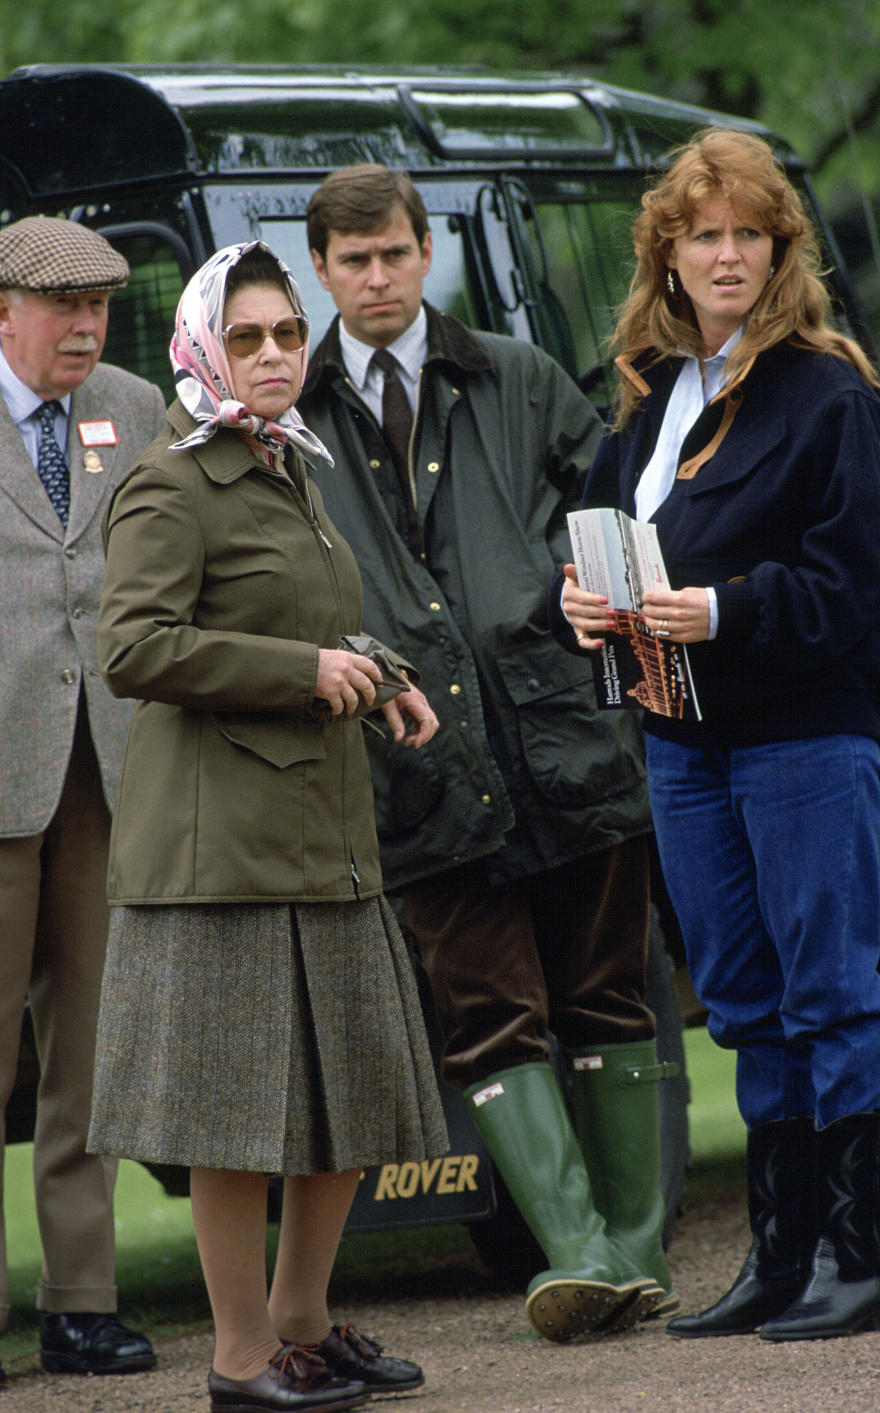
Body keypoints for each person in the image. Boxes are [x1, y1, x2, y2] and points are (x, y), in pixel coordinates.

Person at [298, 163, 674, 1344]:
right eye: (352, 261)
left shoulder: (515, 375)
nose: (377, 278)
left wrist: (601, 619)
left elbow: (616, 515)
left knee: (608, 994)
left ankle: (638, 1251)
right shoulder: (293, 421)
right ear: (322, 269)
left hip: (563, 733)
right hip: (414, 763)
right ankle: (576, 1257)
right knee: (488, 1016)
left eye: (394, 254)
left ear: (427, 254)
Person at [552, 127, 880, 1342]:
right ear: (666, 252)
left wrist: (719, 609)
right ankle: (779, 1257)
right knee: (747, 1004)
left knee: (830, 995)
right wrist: (582, 605)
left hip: (804, 739)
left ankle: (858, 1263)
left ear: (780, 250)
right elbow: (605, 539)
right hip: (682, 743)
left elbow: (857, 591)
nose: (726, 254)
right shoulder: (651, 401)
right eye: (703, 234)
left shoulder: (832, 392)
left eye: (749, 233)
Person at [88, 240, 448, 1412]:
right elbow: (137, 649)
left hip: (325, 833)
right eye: (247, 337)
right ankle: (240, 1361)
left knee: (353, 1102)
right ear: (202, 346)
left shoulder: (295, 463)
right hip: (218, 853)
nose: (274, 355)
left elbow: (316, 622)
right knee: (236, 1120)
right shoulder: (171, 479)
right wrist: (306, 668)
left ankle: (301, 1325)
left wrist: (382, 673)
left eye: (288, 333)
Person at [0, 215, 166, 1382]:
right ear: (3, 311)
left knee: (92, 1053)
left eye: (101, 306)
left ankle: (81, 1302)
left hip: (107, 773)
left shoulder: (137, 407)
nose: (87, 327)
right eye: (64, 308)